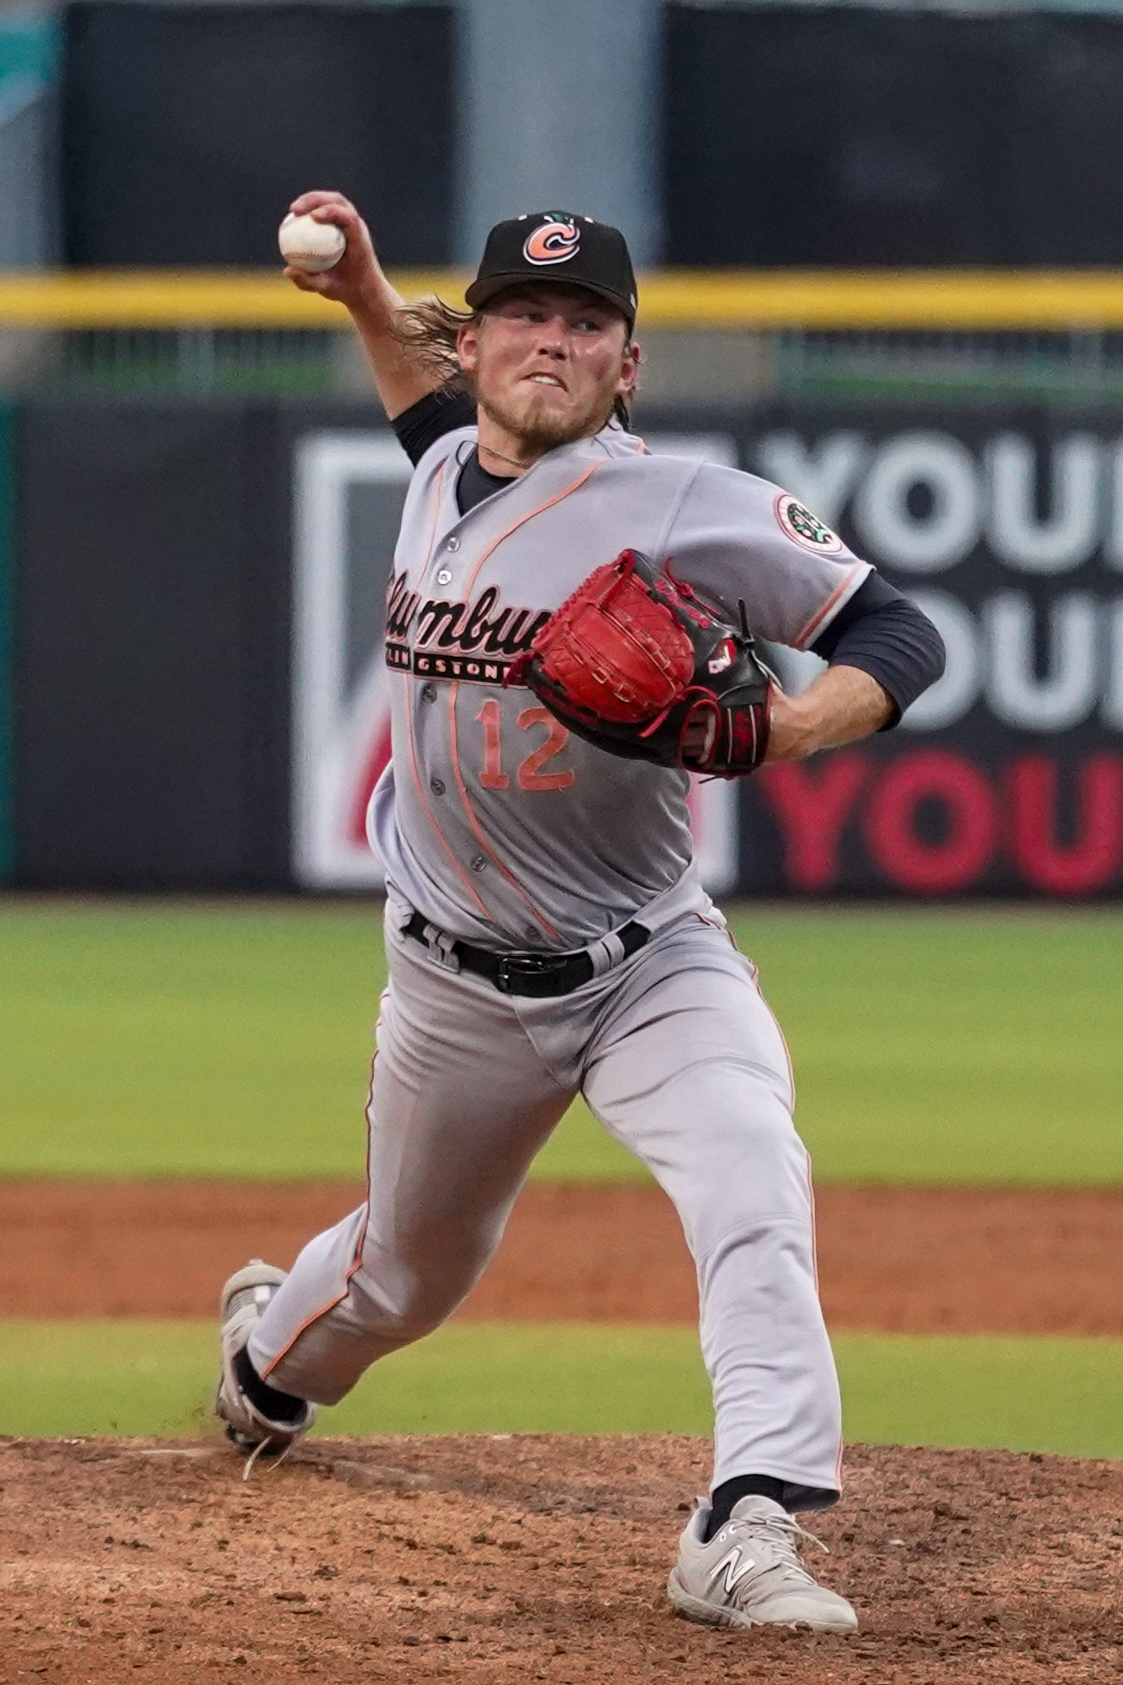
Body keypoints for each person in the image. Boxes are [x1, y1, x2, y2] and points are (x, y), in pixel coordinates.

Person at [215, 195, 945, 1634]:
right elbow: (426, 417)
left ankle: (754, 1515)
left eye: (587, 323)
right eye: (527, 318)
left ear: (627, 363)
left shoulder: (685, 503)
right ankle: (264, 1362)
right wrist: (368, 291)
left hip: (646, 958)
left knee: (750, 1167)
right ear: (478, 341)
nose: (553, 340)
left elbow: (897, 631)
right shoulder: (439, 467)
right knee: (403, 1277)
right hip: (452, 986)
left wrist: (786, 732)